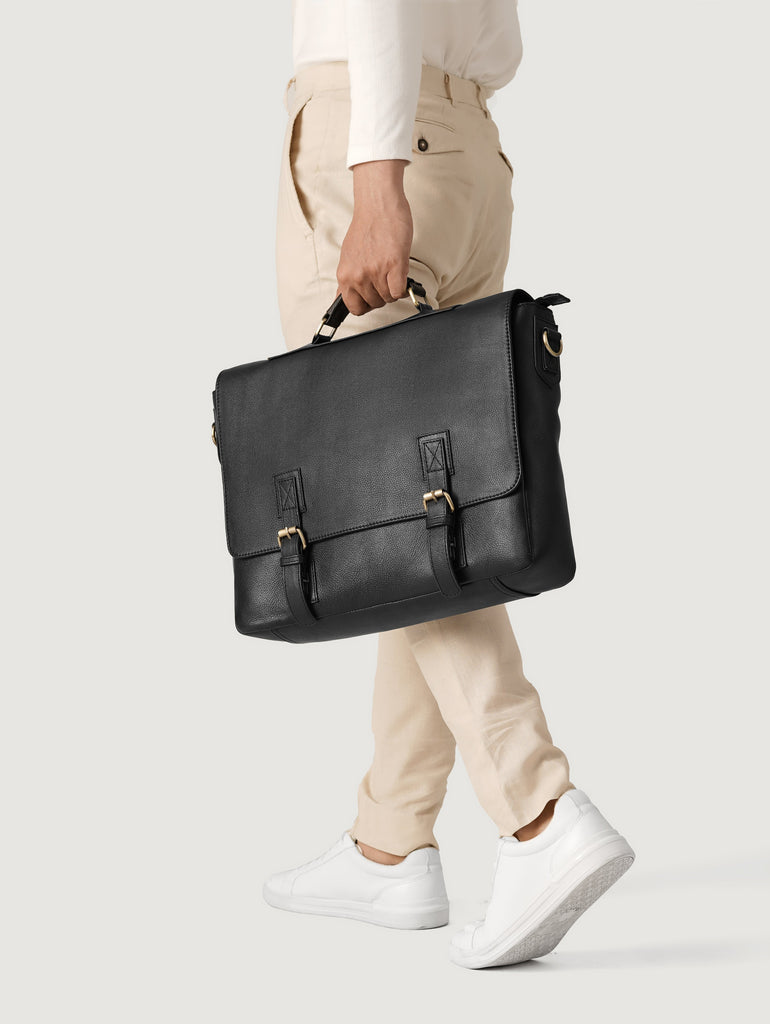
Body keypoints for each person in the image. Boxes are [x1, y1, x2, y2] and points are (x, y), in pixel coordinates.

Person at [262, 0, 634, 969]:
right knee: (427, 521)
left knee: (380, 498)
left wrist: (376, 174)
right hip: (466, 154)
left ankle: (537, 811)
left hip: (373, 136)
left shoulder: (374, 160)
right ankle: (389, 840)